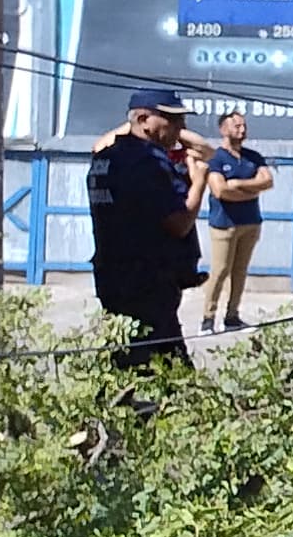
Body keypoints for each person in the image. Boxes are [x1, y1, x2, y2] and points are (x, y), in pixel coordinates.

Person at [84, 85, 205, 367]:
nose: (180, 128)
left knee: (127, 357)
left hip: (114, 275)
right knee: (166, 371)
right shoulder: (146, 161)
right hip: (147, 281)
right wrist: (199, 185)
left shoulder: (107, 157)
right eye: (172, 120)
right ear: (143, 120)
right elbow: (178, 224)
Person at [192, 107, 273, 332]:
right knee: (220, 271)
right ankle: (208, 319)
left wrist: (237, 185)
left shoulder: (252, 157)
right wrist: (250, 190)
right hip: (224, 224)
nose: (242, 129)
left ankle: (232, 317)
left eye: (244, 125)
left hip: (250, 222)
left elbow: (267, 181)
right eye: (237, 125)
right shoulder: (216, 158)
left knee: (240, 271)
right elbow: (220, 191)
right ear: (223, 129)